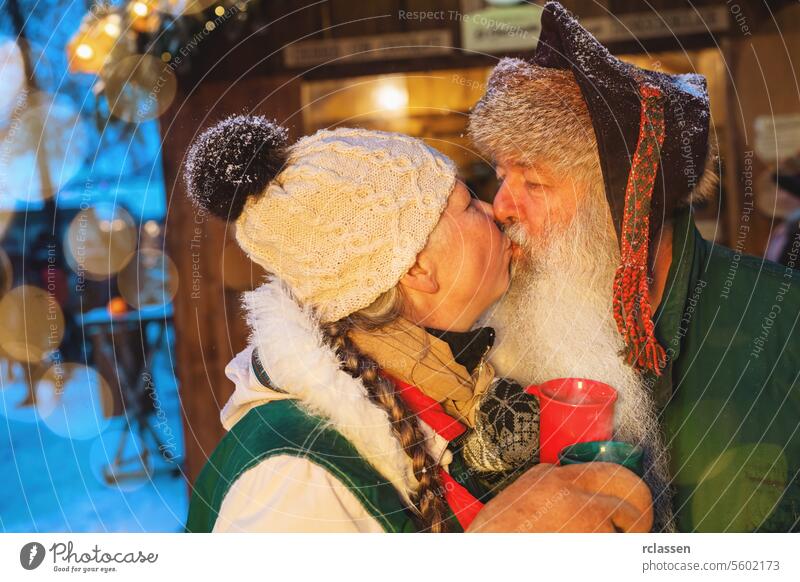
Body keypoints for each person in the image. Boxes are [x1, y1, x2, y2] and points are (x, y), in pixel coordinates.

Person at [181, 116, 652, 532]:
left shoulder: (456, 381)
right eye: (469, 204)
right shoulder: (292, 478)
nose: (496, 211)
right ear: (417, 270)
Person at [469, 1, 800, 532]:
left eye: (534, 183)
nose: (501, 205)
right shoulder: (499, 335)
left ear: (623, 213)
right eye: (502, 175)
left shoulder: (784, 322)